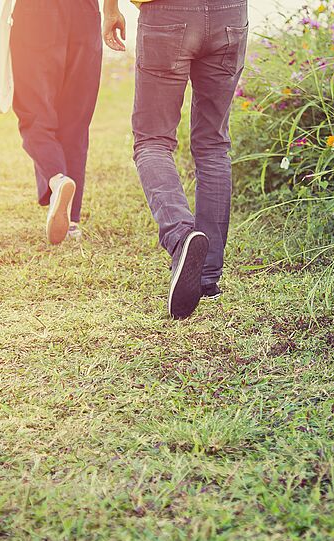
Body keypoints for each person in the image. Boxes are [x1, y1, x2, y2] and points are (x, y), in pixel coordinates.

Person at [103, 0, 249, 319]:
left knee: (152, 139)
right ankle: (207, 276)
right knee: (213, 143)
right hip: (230, 13)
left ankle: (181, 237)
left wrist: (109, 8)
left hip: (167, 12)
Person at [10, 0, 103, 245]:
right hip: (86, 12)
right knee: (75, 120)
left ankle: (57, 178)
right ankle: (71, 223)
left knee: (35, 113)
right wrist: (113, 9)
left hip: (36, 13)